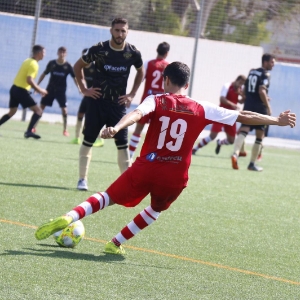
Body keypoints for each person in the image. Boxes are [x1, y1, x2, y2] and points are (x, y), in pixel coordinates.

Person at [35, 61, 296, 255]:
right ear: (187, 84)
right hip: (175, 175)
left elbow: (137, 114)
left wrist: (116, 128)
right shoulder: (201, 107)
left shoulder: (156, 99)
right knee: (155, 210)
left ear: (166, 79)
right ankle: (115, 243)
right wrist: (276, 120)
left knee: (106, 197)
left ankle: (70, 216)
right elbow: (243, 114)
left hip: (146, 166)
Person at [73, 17, 144, 191]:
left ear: (127, 32)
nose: (120, 34)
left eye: (123, 31)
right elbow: (77, 66)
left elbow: (141, 72)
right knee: (88, 140)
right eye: (117, 30)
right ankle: (82, 179)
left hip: (118, 105)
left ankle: (127, 185)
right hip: (97, 103)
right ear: (111, 30)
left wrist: (132, 94)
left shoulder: (133, 53)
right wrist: (84, 89)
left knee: (122, 144)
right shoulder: (99, 49)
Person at [231, 53, 276, 171]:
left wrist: (244, 98)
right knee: (259, 136)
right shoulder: (265, 74)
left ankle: (235, 154)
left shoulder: (251, 72)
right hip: (260, 108)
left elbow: (246, 90)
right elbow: (262, 91)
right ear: (265, 62)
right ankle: (251, 164)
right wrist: (268, 107)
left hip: (248, 105)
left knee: (244, 130)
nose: (273, 65)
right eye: (272, 62)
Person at [129, 42, 170, 159]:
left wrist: (132, 94)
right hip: (161, 103)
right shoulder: (169, 66)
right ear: (167, 53)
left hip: (147, 100)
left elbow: (140, 79)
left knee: (138, 128)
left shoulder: (148, 63)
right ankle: (151, 157)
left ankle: (130, 155)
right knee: (157, 132)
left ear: (157, 50)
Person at [0, 45, 47, 139]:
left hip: (14, 89)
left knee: (12, 112)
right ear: (39, 53)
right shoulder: (34, 64)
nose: (44, 55)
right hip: (21, 91)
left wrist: (35, 88)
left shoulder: (27, 60)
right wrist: (40, 89)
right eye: (44, 52)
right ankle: (29, 132)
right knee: (38, 111)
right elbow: (29, 80)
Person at [192, 75, 246, 155]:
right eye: (240, 83)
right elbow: (222, 99)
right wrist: (232, 104)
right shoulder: (227, 86)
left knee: (231, 140)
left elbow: (240, 101)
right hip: (221, 114)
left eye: (242, 84)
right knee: (212, 136)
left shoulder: (239, 89)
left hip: (231, 115)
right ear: (237, 80)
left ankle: (220, 143)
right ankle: (195, 149)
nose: (240, 85)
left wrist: (243, 96)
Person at [34, 46, 80, 136]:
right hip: (49, 90)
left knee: (64, 110)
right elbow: (44, 74)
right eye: (60, 52)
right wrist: (37, 86)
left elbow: (75, 78)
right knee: (41, 108)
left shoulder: (68, 66)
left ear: (66, 54)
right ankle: (34, 127)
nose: (62, 54)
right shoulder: (52, 63)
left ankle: (65, 130)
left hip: (61, 92)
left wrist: (80, 88)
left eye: (64, 52)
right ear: (57, 53)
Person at [70, 48, 104, 148]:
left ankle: (99, 139)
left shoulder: (96, 67)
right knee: (80, 114)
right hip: (87, 95)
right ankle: (77, 137)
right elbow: (79, 79)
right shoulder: (81, 68)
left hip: (96, 96)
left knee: (95, 117)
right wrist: (82, 89)